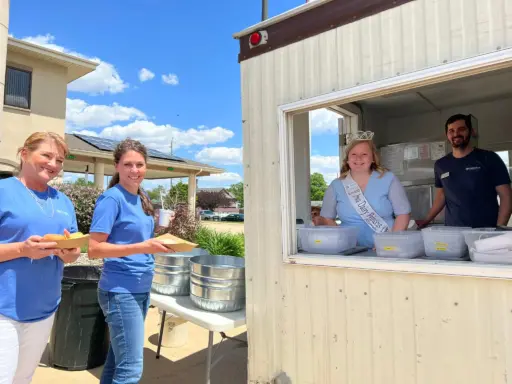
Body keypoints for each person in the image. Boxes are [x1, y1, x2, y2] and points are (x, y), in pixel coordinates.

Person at [0, 132, 80, 384]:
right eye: (46, 155)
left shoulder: (64, 201)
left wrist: (71, 252)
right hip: (4, 310)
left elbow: (73, 254)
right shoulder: (3, 191)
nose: (53, 164)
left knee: (23, 378)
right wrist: (22, 250)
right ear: (24, 154)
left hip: (44, 308)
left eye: (59, 160)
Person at [87, 138, 170, 384]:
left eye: (140, 165)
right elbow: (94, 249)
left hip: (141, 287)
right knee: (131, 370)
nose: (135, 170)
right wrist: (142, 246)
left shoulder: (141, 197)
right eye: (128, 165)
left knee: (116, 361)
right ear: (117, 166)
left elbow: (139, 240)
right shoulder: (112, 199)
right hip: (120, 290)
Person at [313, 133, 411, 248]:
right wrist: (319, 221)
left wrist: (390, 243)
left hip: (386, 250)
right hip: (350, 250)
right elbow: (327, 219)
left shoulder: (388, 179)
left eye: (364, 154)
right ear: (348, 159)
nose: (358, 158)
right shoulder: (336, 185)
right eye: (353, 154)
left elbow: (403, 214)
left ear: (373, 158)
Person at [416, 114, 512, 229]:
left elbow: (506, 196)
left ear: (471, 131)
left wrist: (500, 227)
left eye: (461, 129)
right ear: (447, 135)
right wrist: (426, 220)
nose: (456, 134)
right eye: (451, 131)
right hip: (454, 232)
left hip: (485, 231)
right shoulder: (440, 165)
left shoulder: (489, 158)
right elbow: (441, 196)